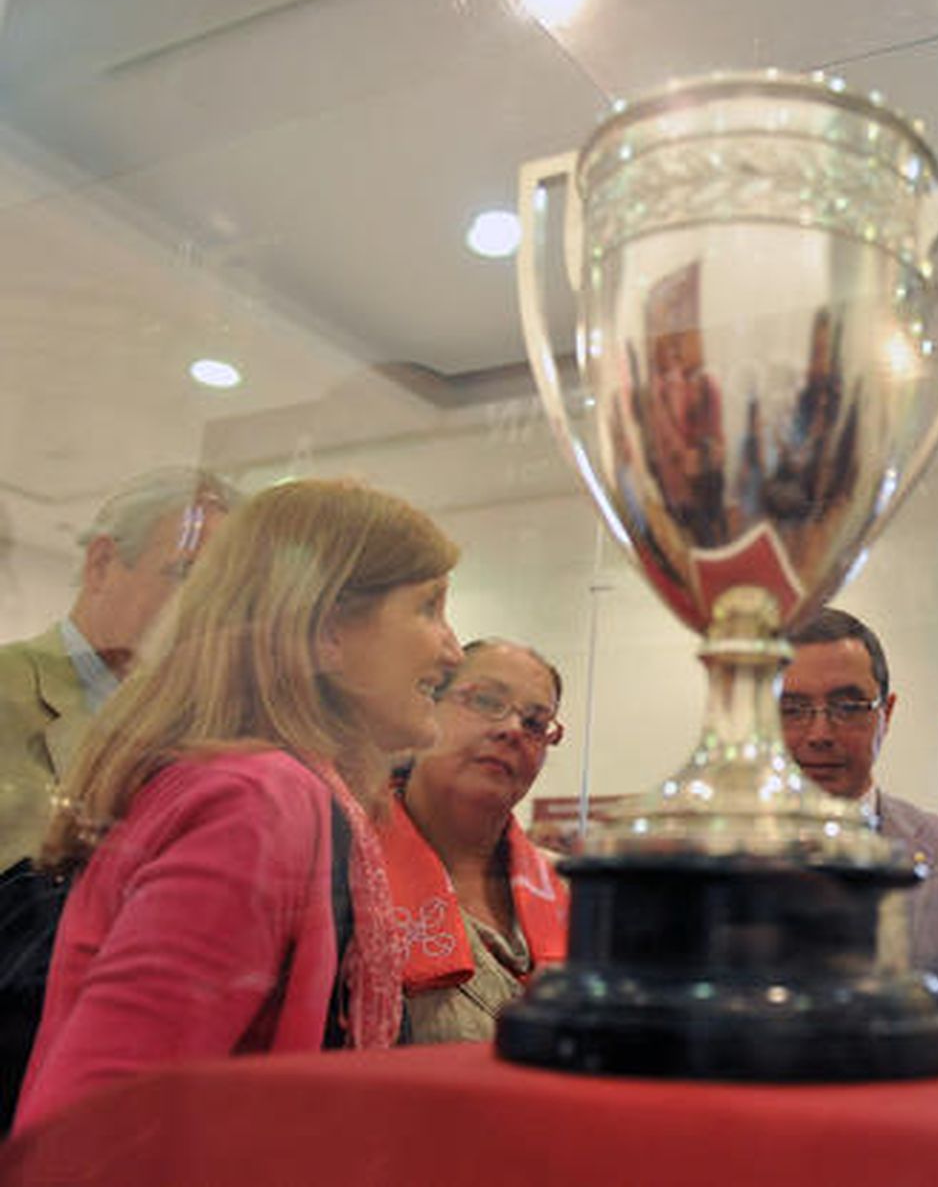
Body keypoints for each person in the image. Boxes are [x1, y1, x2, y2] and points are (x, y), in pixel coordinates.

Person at [13, 479, 463, 1131]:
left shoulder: (268, 793)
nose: (451, 648)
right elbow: (95, 1121)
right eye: (429, 607)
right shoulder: (257, 804)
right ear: (327, 631)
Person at [782, 607, 938, 1047]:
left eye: (847, 707)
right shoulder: (712, 857)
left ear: (888, 712)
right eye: (793, 709)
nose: (820, 732)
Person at [0, 468, 240, 867]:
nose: (203, 611)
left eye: (220, 591)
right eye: (185, 574)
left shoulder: (195, 729)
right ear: (102, 562)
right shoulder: (8, 689)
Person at [379, 639, 569, 1043]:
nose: (512, 730)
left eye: (535, 723)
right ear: (426, 707)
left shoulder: (573, 892)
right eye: (485, 700)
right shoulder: (349, 869)